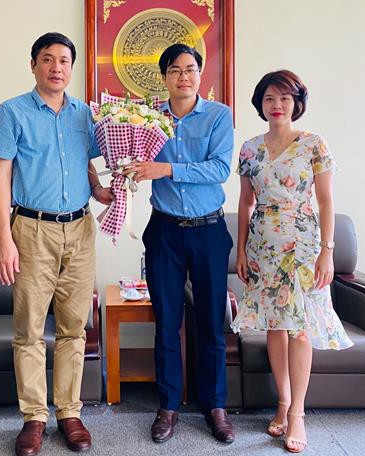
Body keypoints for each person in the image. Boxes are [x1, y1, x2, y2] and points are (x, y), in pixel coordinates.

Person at [0, 32, 112, 456]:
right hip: (31, 229)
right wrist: (3, 238)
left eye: (64, 60)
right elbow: (0, 176)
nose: (56, 67)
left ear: (71, 67)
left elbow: (86, 164)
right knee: (29, 330)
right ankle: (34, 417)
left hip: (80, 228)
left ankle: (69, 412)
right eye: (47, 59)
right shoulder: (12, 112)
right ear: (33, 65)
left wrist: (100, 190)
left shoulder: (84, 114)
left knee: (74, 327)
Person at [233, 70, 353, 453]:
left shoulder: (314, 144)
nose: (277, 105)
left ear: (296, 103)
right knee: (275, 326)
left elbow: (326, 201)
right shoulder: (249, 149)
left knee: (300, 328)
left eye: (285, 98)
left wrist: (327, 250)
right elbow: (245, 203)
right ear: (260, 104)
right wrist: (241, 249)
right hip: (263, 245)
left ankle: (298, 412)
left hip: (303, 245)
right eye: (269, 98)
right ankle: (282, 402)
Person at [123, 44, 235, 444]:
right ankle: (168, 406)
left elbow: (219, 169)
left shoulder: (219, 115)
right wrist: (128, 167)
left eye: (190, 69)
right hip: (165, 230)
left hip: (209, 231)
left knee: (211, 322)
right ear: (164, 77)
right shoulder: (148, 118)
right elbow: (133, 158)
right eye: (174, 70)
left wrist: (167, 168)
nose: (183, 77)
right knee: (167, 323)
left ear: (200, 74)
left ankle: (215, 406)